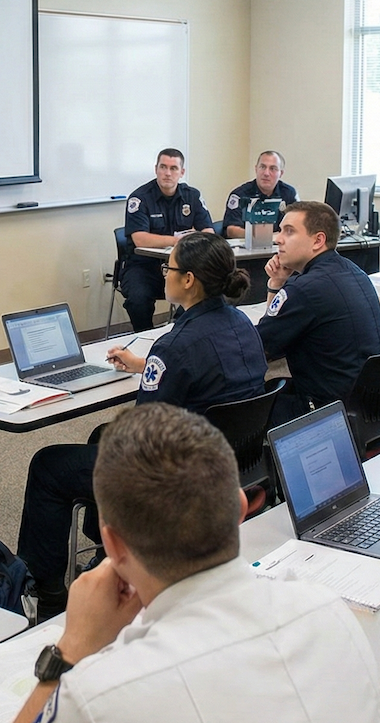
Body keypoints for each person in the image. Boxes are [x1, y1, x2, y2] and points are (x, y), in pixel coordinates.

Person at [0, 404, 380, 723]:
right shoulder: (329, 610)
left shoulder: (101, 696)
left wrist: (72, 650)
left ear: (112, 542)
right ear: (241, 508)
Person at [17, 232, 266, 618]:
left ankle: (46, 593)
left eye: (169, 267)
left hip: (175, 484)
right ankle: (107, 553)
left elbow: (142, 438)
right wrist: (143, 365)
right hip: (230, 462)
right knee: (100, 436)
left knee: (50, 464)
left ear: (188, 281)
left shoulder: (175, 345)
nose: (163, 272)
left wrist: (152, 368)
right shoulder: (243, 324)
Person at [258, 201, 380, 425]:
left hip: (326, 412)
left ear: (318, 240)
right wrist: (278, 282)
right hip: (370, 405)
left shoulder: (304, 289)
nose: (277, 238)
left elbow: (260, 345)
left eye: (289, 231)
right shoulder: (354, 272)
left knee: (244, 407)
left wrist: (278, 286)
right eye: (280, 230)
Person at [121, 148, 214, 331]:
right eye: (163, 167)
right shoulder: (140, 198)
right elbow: (140, 239)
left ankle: (179, 333)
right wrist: (177, 240)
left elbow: (208, 233)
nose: (168, 173)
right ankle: (144, 338)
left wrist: (191, 239)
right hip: (145, 267)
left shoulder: (192, 196)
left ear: (182, 172)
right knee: (138, 300)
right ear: (156, 169)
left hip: (182, 266)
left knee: (205, 290)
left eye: (173, 168)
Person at [220, 150, 297, 238]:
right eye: (262, 167)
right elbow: (231, 230)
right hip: (247, 246)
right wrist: (264, 236)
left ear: (281, 173)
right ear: (256, 169)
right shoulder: (239, 195)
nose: (266, 173)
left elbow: (298, 225)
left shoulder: (289, 193)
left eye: (273, 169)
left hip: (280, 245)